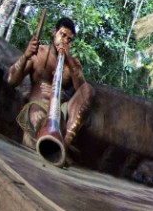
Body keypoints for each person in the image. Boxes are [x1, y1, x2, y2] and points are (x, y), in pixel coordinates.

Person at [8, 17, 94, 154]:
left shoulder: (73, 64)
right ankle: (53, 146)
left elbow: (83, 92)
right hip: (37, 109)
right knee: (40, 119)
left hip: (61, 113)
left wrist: (62, 94)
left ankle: (65, 143)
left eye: (69, 40)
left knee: (89, 89)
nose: (64, 41)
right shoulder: (39, 53)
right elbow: (12, 81)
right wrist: (25, 56)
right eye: (62, 35)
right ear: (55, 33)